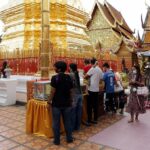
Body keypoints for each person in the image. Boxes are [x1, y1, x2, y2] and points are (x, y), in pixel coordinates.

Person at [47, 61, 73, 145]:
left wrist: (48, 101)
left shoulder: (55, 78)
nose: (53, 68)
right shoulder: (68, 77)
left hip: (57, 105)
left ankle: (57, 140)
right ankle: (69, 138)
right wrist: (71, 101)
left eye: (54, 67)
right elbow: (71, 91)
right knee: (68, 122)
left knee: (56, 123)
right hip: (67, 104)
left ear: (59, 69)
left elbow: (52, 92)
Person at [84, 58, 103, 125]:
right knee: (95, 105)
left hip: (91, 89)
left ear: (91, 63)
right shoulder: (100, 69)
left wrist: (86, 77)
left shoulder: (93, 69)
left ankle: (89, 120)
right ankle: (95, 119)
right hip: (96, 89)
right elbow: (101, 79)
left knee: (89, 105)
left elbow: (85, 76)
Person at [69, 63, 82, 131]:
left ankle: (72, 127)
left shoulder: (71, 74)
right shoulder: (77, 73)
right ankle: (78, 126)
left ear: (70, 68)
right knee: (79, 111)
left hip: (74, 95)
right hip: (80, 94)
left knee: (73, 111)